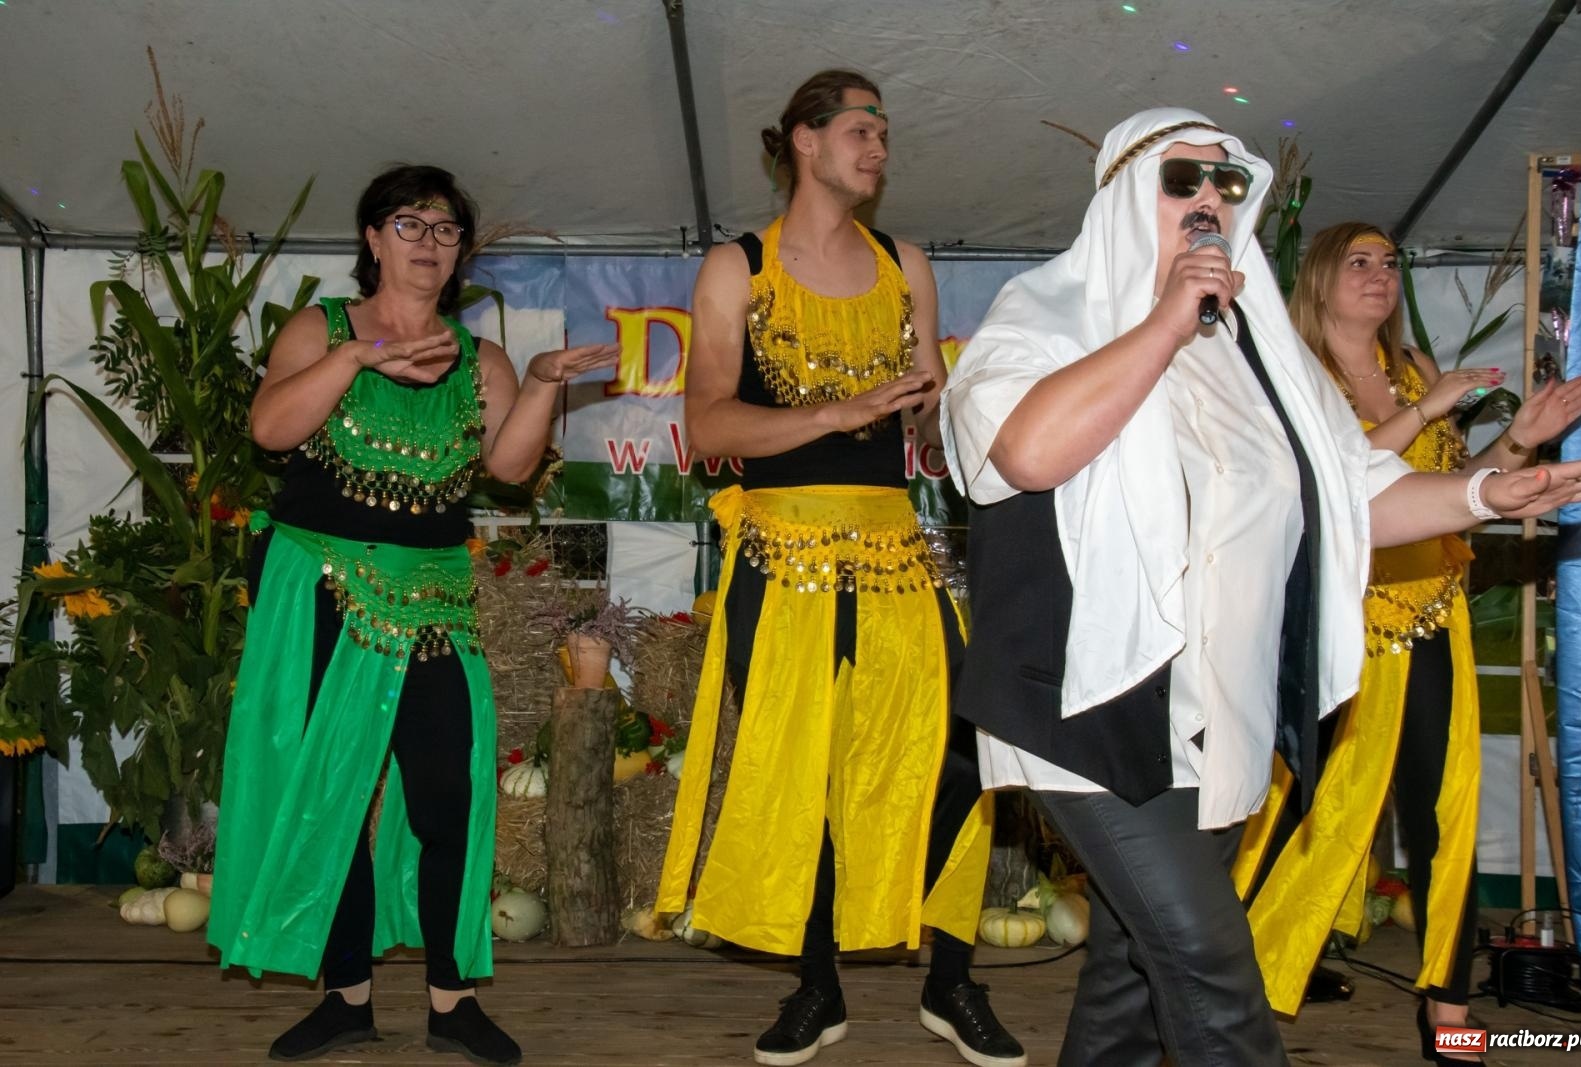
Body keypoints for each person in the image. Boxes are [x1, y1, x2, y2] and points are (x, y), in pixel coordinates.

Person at [940, 107, 1581, 1066]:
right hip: (1089, 707)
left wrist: (1490, 489)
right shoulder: (1044, 315)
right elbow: (1027, 452)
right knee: (1212, 969)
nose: (1211, 197)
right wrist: (1167, 320)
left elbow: (1350, 493)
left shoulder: (1258, 350)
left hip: (1220, 711)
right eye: (1185, 180)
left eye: (1228, 183)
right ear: (1128, 196)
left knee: (1134, 970)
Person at [655, 70, 1025, 1067]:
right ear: (803, 142)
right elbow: (707, 423)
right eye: (860, 129)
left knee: (958, 755)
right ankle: (816, 984)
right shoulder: (738, 267)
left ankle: (951, 978)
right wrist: (833, 414)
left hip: (897, 547)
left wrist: (960, 421)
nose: (878, 147)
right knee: (803, 770)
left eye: (885, 132)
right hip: (778, 551)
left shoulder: (905, 263)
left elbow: (934, 425)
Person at [208, 164, 617, 1065]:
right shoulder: (319, 328)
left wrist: (545, 381)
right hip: (322, 587)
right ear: (372, 238)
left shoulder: (483, 359)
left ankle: (451, 999)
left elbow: (508, 468)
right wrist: (356, 357)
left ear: (460, 249)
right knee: (334, 792)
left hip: (432, 594)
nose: (429, 241)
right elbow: (271, 428)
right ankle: (345, 994)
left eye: (445, 228)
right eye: (409, 223)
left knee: (446, 796)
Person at [1233, 221, 1581, 1059]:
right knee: (1300, 809)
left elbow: (1454, 482)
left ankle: (1446, 1002)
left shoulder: (1416, 370)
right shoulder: (1293, 373)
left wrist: (1521, 444)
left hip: (1432, 614)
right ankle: (1235, 972)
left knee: (1445, 810)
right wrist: (1428, 409)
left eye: (1390, 263)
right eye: (1359, 262)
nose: (1380, 275)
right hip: (1337, 625)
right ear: (1318, 277)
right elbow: (1333, 480)